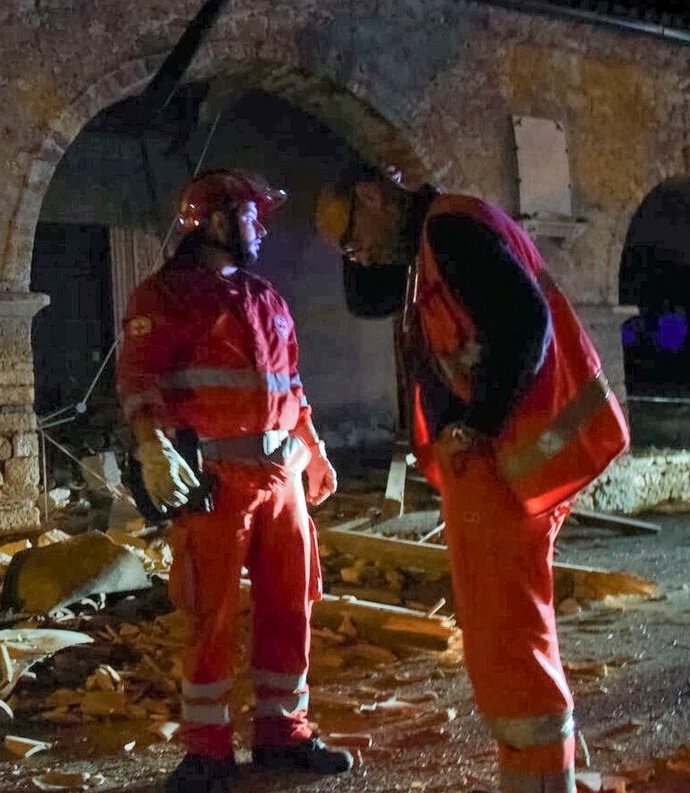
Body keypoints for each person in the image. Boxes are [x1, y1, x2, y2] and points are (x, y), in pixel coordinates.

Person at [315, 167, 630, 793]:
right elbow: (365, 299)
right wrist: (359, 233)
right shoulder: (427, 246)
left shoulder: (452, 230)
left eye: (355, 238)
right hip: (495, 467)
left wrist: (481, 423)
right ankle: (534, 776)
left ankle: (542, 781)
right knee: (501, 634)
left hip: (503, 460)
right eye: (349, 251)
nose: (361, 255)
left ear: (376, 197)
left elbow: (524, 324)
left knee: (510, 638)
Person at [116, 169, 353, 792]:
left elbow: (290, 387)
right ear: (218, 222)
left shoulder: (265, 297)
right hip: (213, 481)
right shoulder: (163, 297)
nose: (262, 228)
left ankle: (284, 733)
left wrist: (315, 448)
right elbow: (141, 382)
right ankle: (207, 752)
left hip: (282, 481)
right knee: (209, 613)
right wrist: (152, 447)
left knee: (291, 606)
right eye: (253, 216)